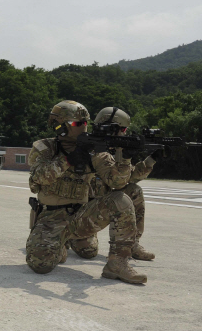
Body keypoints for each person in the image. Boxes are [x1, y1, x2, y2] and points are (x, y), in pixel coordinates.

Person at [26, 100, 147, 285]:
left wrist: (125, 157)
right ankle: (60, 243)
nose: (83, 127)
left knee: (120, 200)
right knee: (40, 264)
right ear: (60, 126)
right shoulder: (45, 147)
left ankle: (117, 263)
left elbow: (117, 181)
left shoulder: (94, 150)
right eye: (76, 124)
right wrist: (68, 160)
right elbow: (39, 177)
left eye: (85, 123)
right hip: (51, 217)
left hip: (81, 216)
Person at [68, 107, 158, 261]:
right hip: (78, 212)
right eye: (123, 129)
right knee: (88, 251)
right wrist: (125, 157)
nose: (124, 132)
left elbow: (131, 177)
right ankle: (63, 235)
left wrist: (152, 158)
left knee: (134, 191)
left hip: (98, 206)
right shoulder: (92, 149)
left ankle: (132, 244)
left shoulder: (111, 149)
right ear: (112, 128)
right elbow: (117, 181)